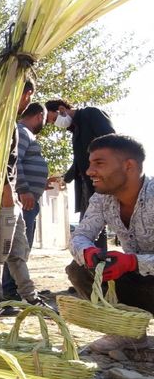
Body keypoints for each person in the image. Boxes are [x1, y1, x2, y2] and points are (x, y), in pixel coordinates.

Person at [65, 134, 154, 353]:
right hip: (144, 283)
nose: (89, 171)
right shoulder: (102, 199)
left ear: (129, 166)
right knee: (80, 269)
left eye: (99, 163)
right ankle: (130, 334)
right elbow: (80, 236)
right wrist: (88, 253)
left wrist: (132, 262)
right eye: (90, 163)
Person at [0, 80, 50, 316]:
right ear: (25, 94)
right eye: (29, 97)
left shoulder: (8, 122)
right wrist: (6, 192)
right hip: (2, 196)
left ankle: (31, 298)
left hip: (12, 197)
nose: (28, 102)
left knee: (17, 251)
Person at [45, 99, 115, 250]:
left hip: (100, 182)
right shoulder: (76, 129)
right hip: (85, 185)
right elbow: (79, 161)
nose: (55, 124)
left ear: (62, 109)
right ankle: (90, 263)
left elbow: (112, 142)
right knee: (88, 225)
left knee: (95, 225)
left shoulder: (91, 114)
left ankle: (97, 264)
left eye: (53, 119)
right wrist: (63, 178)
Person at [2, 103, 49, 298]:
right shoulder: (21, 131)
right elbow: (14, 162)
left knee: (22, 246)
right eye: (45, 120)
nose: (44, 123)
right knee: (17, 248)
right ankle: (11, 292)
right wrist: (24, 189)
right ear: (39, 115)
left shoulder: (24, 133)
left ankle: (18, 290)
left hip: (28, 199)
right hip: (24, 200)